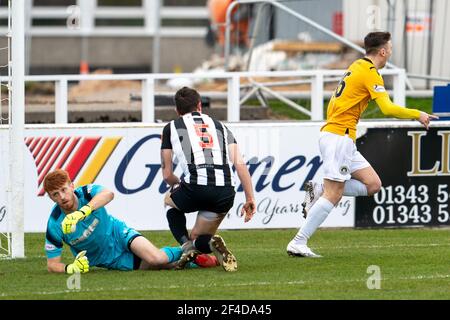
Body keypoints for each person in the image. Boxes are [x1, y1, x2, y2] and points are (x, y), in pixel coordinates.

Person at [287, 31, 438, 258]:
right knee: (334, 194)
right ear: (383, 51)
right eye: (390, 50)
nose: (390, 55)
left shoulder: (357, 65)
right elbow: (388, 109)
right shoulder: (370, 73)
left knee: (373, 185)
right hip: (340, 137)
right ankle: (298, 242)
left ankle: (319, 189)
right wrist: (418, 114)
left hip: (339, 135)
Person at [160, 86, 256, 272]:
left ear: (177, 111)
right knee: (199, 237)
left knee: (168, 203)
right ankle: (211, 243)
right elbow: (240, 164)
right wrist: (250, 198)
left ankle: (186, 248)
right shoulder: (220, 126)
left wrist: (178, 184)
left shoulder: (171, 128)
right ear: (199, 105)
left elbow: (167, 174)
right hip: (225, 191)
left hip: (195, 187)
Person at [44, 169, 185, 274]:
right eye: (56, 194)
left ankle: (187, 249)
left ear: (72, 186)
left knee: (156, 259)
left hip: (118, 233)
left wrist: (82, 212)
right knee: (165, 265)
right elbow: (52, 265)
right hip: (107, 259)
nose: (62, 197)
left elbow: (108, 194)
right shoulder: (55, 224)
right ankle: (194, 259)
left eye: (64, 189)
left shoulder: (86, 193)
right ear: (51, 198)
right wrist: (71, 268)